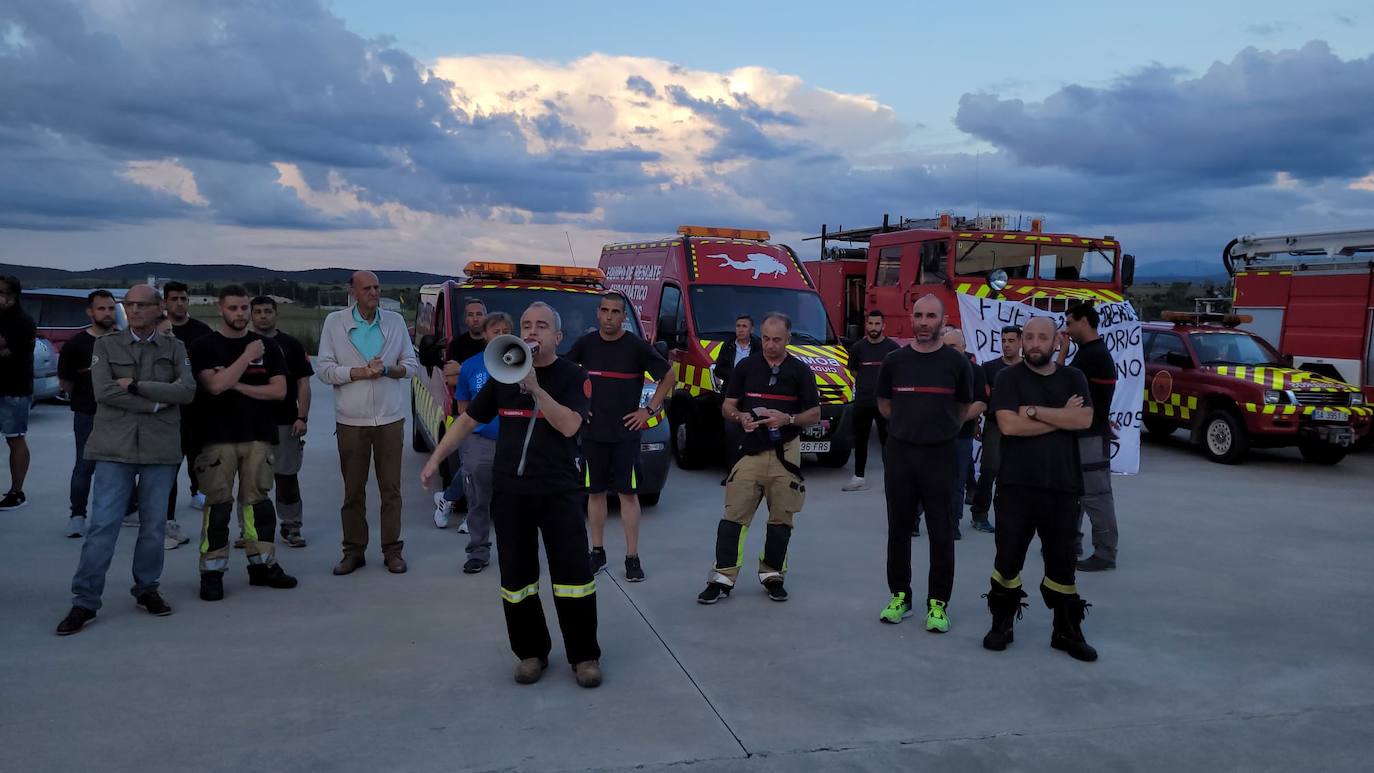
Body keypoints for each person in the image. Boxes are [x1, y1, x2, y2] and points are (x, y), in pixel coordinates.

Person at [420, 302, 602, 688]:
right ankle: (531, 653)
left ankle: (584, 656)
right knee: (517, 580)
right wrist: (435, 459)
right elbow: (468, 420)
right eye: (526, 326)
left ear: (558, 336)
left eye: (541, 326)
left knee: (574, 577)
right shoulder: (502, 375)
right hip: (512, 492)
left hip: (558, 491)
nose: (532, 332)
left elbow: (570, 426)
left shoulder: (574, 376)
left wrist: (536, 389)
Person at [56, 284, 196, 635]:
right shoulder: (105, 345)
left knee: (153, 527)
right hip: (113, 448)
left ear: (157, 308)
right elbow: (103, 391)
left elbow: (187, 391)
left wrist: (134, 385)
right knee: (103, 526)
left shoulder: (175, 348)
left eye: (142, 305)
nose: (135, 311)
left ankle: (147, 589)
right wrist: (153, 402)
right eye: (129, 305)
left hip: (159, 449)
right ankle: (85, 601)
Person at [983, 316, 1098, 661]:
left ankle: (1066, 630)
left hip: (1062, 487)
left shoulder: (1073, 377)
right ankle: (1002, 622)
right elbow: (1008, 426)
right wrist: (1059, 417)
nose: (1034, 343)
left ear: (1056, 341)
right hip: (1015, 486)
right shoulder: (1008, 378)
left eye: (1042, 338)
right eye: (1028, 337)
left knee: (1063, 563)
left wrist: (1032, 412)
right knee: (1007, 559)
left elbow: (1084, 419)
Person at [697, 313, 820, 605]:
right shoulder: (746, 367)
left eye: (777, 339)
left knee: (781, 519)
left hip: (785, 453)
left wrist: (786, 417)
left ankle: (773, 575)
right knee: (733, 517)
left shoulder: (801, 372)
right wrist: (741, 418)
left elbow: (814, 413)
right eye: (765, 338)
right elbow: (728, 405)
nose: (770, 345)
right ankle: (722, 579)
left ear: (788, 338)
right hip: (750, 450)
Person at [189, 286, 298, 601]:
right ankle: (212, 573)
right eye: (233, 308)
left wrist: (235, 382)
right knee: (218, 508)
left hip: (258, 437)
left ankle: (262, 565)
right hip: (216, 440)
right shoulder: (204, 346)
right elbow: (214, 385)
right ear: (219, 308)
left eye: (244, 308)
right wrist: (246, 359)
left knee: (258, 507)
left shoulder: (269, 346)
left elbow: (278, 391)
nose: (240, 314)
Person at [876, 296, 974, 631]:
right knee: (899, 530)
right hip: (901, 454)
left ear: (942, 321)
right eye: (918, 315)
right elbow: (885, 403)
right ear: (911, 318)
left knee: (941, 532)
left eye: (931, 315)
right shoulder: (894, 361)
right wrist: (908, 427)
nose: (923, 321)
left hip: (940, 456)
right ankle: (900, 597)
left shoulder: (956, 364)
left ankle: (938, 604)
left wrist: (938, 429)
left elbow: (963, 409)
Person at [315, 271, 419, 575]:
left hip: (389, 419)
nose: (374, 292)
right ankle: (353, 551)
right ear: (353, 292)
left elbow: (410, 367)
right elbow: (324, 370)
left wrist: (387, 369)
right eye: (367, 288)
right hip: (351, 420)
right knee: (353, 490)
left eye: (376, 287)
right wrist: (358, 373)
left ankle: (392, 551)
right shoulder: (335, 323)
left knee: (391, 489)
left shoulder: (395, 322)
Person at [567, 292, 674, 582]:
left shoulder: (636, 347)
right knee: (595, 493)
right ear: (598, 313)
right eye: (605, 310)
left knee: (628, 495)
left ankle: (632, 558)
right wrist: (577, 408)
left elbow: (669, 376)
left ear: (624, 316)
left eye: (616, 311)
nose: (610, 316)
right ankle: (597, 551)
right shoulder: (585, 345)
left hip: (626, 434)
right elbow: (564, 374)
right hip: (593, 433)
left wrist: (648, 410)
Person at [451, 311, 514, 574]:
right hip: (480, 442)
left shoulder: (521, 363)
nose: (500, 335)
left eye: (505, 331)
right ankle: (478, 551)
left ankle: (514, 551)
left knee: (513, 501)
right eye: (495, 331)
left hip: (513, 441)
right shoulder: (470, 366)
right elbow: (464, 409)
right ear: (485, 335)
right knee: (478, 499)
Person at [250, 296, 315, 548]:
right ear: (251, 315)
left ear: (276, 314)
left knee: (286, 478)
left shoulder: (291, 345)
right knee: (251, 480)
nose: (263, 316)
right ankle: (250, 530)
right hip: (250, 424)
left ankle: (291, 527)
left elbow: (303, 383)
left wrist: (302, 416)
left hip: (286, 421)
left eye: (268, 311)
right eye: (258, 312)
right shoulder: (243, 345)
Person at [1059, 302, 1119, 572]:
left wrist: (1061, 352)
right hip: (1089, 435)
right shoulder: (1092, 353)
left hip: (1090, 438)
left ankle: (1105, 553)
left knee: (1095, 496)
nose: (1067, 329)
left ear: (1084, 321)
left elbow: (1058, 385)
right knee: (1077, 494)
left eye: (1070, 323)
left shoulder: (1090, 355)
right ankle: (1072, 544)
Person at [57, 290, 119, 537]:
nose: (107, 313)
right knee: (84, 466)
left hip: (121, 415)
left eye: (111, 308)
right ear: (90, 311)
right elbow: (66, 383)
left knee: (122, 465)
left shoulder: (123, 341)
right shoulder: (76, 344)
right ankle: (77, 516)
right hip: (87, 414)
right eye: (101, 308)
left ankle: (128, 510)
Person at [163, 281, 214, 513]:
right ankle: (162, 503)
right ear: (165, 303)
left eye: (183, 298)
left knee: (199, 453)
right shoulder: (160, 331)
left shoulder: (202, 331)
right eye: (174, 299)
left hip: (199, 405)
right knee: (170, 458)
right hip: (168, 406)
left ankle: (199, 492)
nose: (180, 303)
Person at [970, 325, 1021, 533]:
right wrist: (975, 423)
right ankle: (979, 514)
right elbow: (979, 398)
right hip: (994, 426)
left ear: (1020, 342)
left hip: (1020, 428)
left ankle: (1011, 516)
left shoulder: (1028, 368)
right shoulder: (988, 368)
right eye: (1003, 341)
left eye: (1011, 341)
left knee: (1014, 474)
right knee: (989, 470)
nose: (1006, 345)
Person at [843, 310, 899, 492]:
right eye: (870, 323)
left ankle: (892, 478)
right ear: (866, 325)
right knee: (860, 440)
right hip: (863, 402)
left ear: (884, 325)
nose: (873, 327)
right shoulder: (858, 348)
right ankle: (858, 478)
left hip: (885, 404)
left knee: (887, 441)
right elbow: (854, 372)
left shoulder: (893, 348)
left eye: (877, 324)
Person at [942, 329, 986, 541]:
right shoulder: (935, 369)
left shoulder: (976, 372)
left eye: (953, 347)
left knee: (957, 483)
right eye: (945, 346)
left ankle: (953, 524)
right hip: (934, 437)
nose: (949, 351)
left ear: (964, 347)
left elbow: (980, 403)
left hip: (961, 437)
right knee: (926, 480)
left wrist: (954, 422)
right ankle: (914, 520)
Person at [0, 275, 36, 512]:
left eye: (3, 292)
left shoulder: (21, 321)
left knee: (15, 438)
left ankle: (16, 491)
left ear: (13, 295)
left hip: (13, 389)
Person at [714, 314, 759, 483]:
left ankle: (749, 474)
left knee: (750, 434)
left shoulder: (758, 346)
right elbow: (719, 369)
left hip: (752, 396)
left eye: (744, 326)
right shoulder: (728, 346)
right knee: (731, 434)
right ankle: (732, 473)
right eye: (738, 326)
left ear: (751, 329)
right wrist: (737, 374)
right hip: (732, 395)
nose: (740, 329)